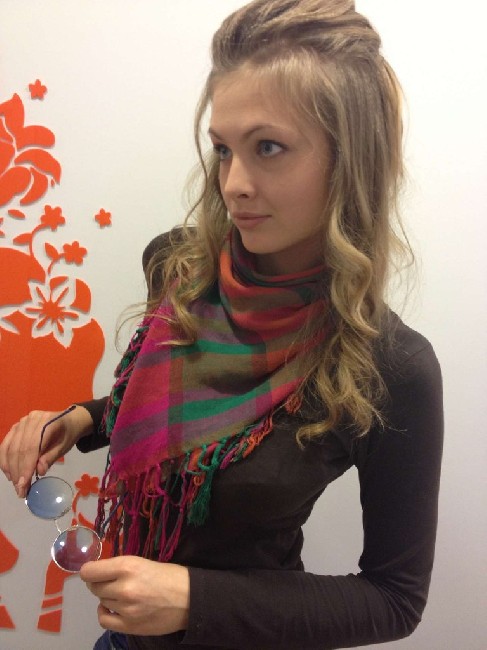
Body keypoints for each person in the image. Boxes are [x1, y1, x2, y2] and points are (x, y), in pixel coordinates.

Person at [0, 1, 443, 648]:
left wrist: (195, 599)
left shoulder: (391, 365)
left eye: (268, 147)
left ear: (351, 159)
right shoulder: (177, 267)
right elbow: (174, 408)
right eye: (222, 149)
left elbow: (394, 599)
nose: (232, 183)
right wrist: (80, 421)